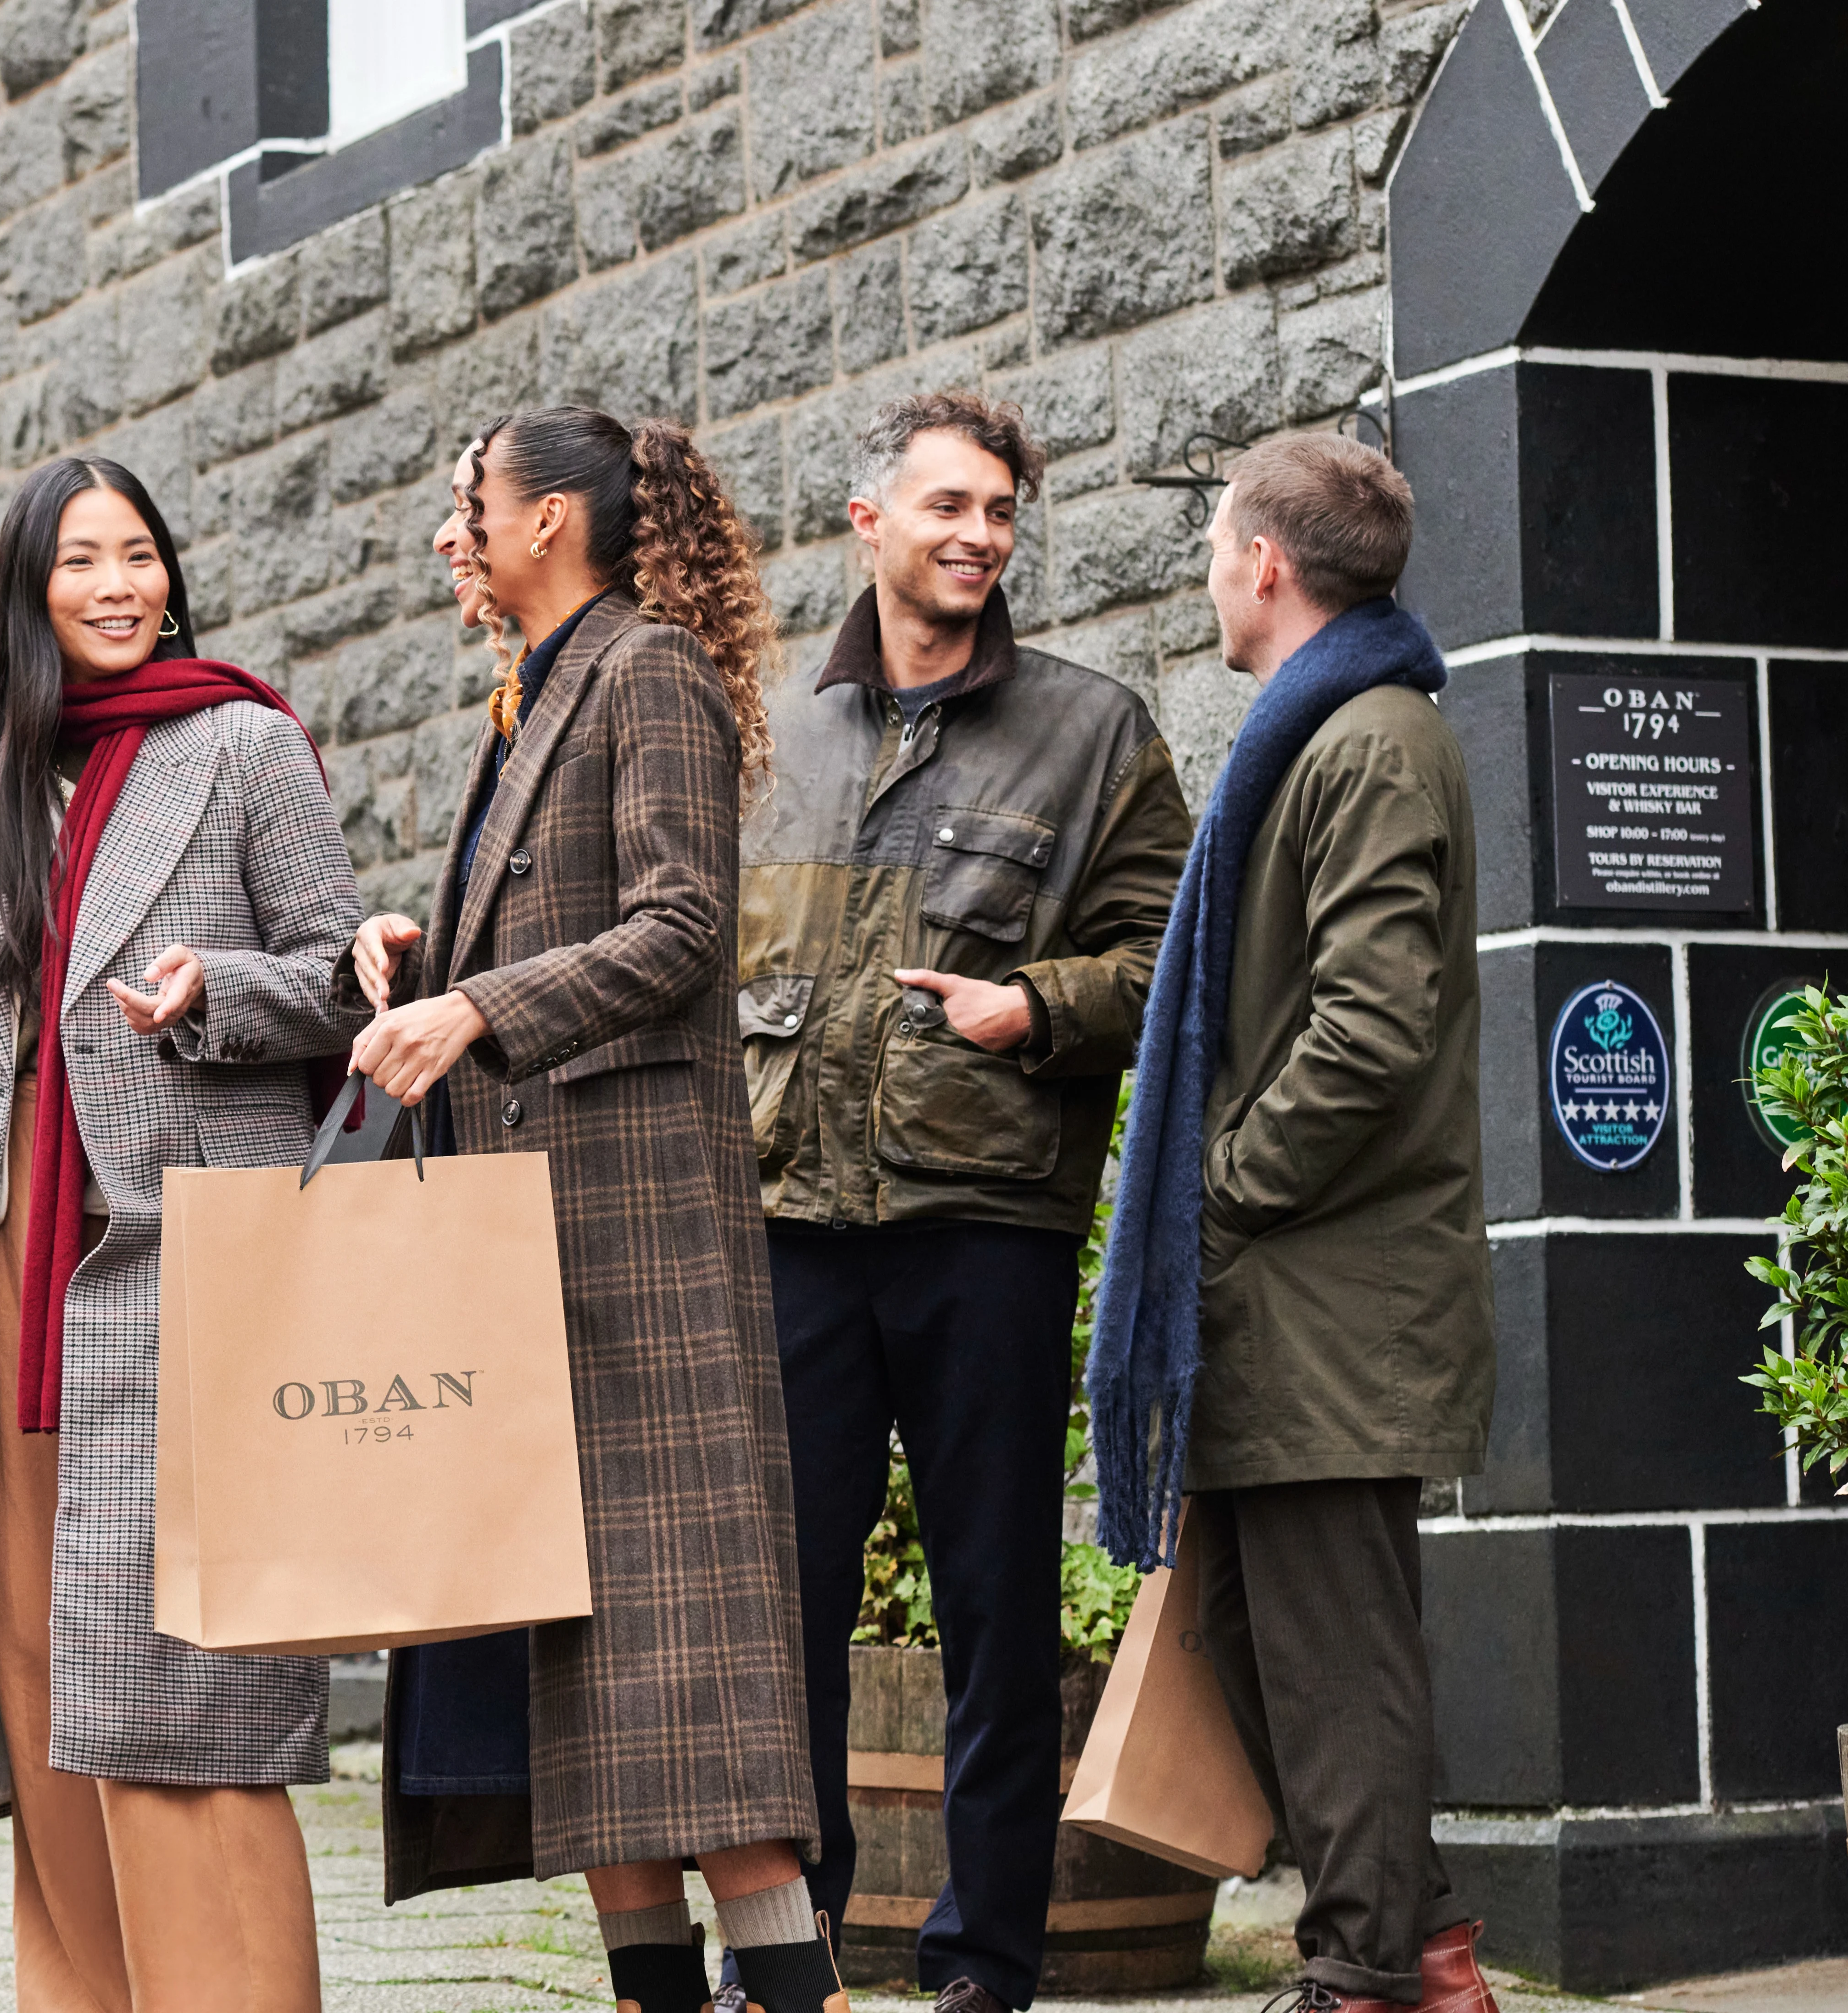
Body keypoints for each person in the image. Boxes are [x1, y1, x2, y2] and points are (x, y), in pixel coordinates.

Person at [348, 406, 834, 2013]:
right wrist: (428, 966)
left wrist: (482, 1012)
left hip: (642, 1262)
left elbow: (686, 927)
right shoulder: (529, 697)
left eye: (467, 499)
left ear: (551, 519)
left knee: (702, 1716)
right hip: (538, 1263)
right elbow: (564, 929)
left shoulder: (651, 674)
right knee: (599, 1726)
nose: (450, 533)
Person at [0, 455, 366, 2013]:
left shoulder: (247, 747)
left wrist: (221, 993)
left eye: (138, 555)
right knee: (38, 1665)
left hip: (184, 1253)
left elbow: (349, 984)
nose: (117, 587)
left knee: (183, 1678)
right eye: (81, 560)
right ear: (30, 591)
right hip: (6, 1251)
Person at [740, 392, 1188, 2012]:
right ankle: (792, 1949)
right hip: (791, 1229)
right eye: (947, 506)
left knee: (999, 1600)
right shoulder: (768, 728)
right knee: (784, 1600)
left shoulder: (1093, 732)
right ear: (869, 522)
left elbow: (1169, 971)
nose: (977, 537)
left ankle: (988, 1960)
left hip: (987, 1228)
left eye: (1000, 512)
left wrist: (1038, 1010)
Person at [1084, 432, 1497, 2013]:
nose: (1206, 566)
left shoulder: (1372, 741)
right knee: (1276, 1646)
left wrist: (1220, 1186)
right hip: (1281, 1305)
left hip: (1330, 1300)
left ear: (1266, 561)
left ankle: (1367, 1980)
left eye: (1212, 540)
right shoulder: (1319, 733)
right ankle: (1427, 1952)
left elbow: (1373, 1029)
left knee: (1337, 1658)